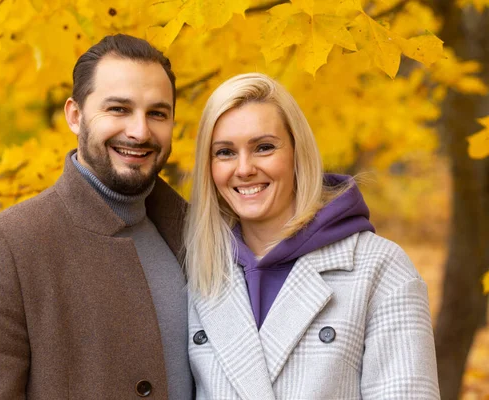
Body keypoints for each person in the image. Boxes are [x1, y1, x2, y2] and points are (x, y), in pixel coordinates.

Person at [0, 34, 193, 399]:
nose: (140, 131)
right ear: (75, 116)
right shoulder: (5, 246)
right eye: (118, 109)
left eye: (157, 113)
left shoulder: (200, 236)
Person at [184, 73, 439, 399]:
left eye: (263, 147)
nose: (244, 168)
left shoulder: (379, 268)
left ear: (296, 152)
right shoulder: (200, 273)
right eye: (225, 152)